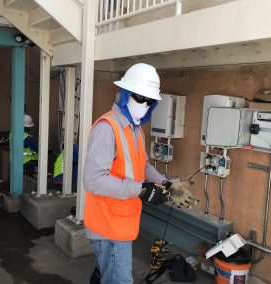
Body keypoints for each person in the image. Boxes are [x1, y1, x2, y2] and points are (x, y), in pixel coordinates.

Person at [83, 63, 195, 284]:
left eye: (149, 101)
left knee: (103, 275)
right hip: (109, 228)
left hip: (122, 224)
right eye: (139, 98)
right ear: (125, 94)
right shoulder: (108, 128)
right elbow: (93, 180)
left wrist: (166, 184)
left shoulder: (135, 129)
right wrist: (142, 190)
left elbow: (142, 166)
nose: (144, 104)